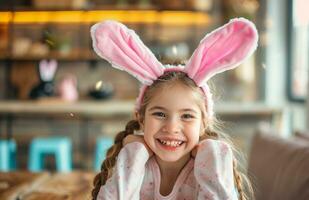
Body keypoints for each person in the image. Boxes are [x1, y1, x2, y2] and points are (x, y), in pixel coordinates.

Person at [90, 18, 258, 200]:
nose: (171, 127)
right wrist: (134, 154)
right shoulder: (135, 165)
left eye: (186, 116)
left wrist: (213, 155)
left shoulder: (207, 168)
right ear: (141, 119)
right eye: (160, 114)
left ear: (203, 123)